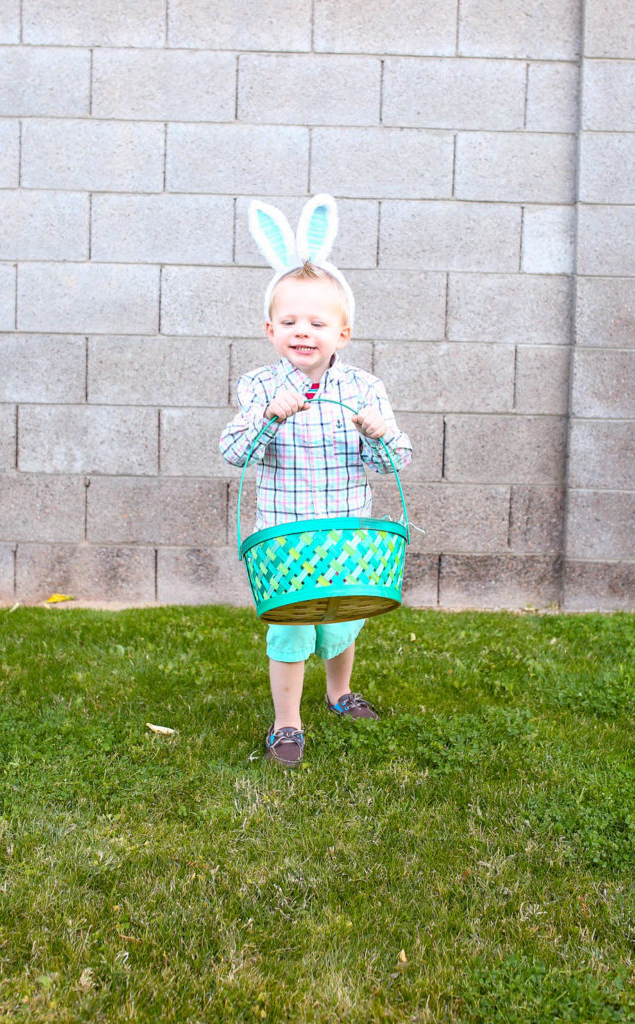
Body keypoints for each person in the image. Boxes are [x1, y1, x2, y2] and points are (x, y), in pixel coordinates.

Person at [220, 195, 412, 766]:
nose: (302, 332)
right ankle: (286, 724)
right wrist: (269, 417)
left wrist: (380, 434)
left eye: (317, 323)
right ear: (270, 328)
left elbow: (393, 462)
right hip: (285, 535)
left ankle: (338, 692)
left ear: (343, 333)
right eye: (289, 322)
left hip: (347, 533)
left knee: (342, 620)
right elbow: (232, 452)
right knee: (291, 631)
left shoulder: (364, 388)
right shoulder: (257, 387)